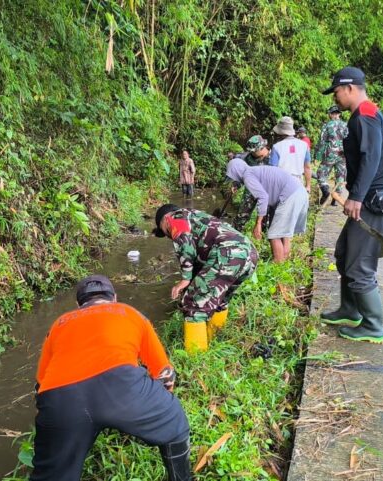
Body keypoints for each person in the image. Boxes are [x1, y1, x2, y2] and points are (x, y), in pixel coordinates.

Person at [30, 275, 192, 481]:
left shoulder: (58, 325)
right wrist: (153, 407)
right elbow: (165, 374)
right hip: (121, 384)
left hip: (61, 398)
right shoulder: (130, 313)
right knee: (175, 421)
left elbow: (40, 384)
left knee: (51, 474)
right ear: (114, 298)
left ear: (78, 304)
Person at [318, 66, 383, 344]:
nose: (336, 98)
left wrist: (356, 197)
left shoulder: (364, 115)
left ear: (350, 88)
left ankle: (373, 326)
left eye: (337, 92)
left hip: (374, 198)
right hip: (371, 194)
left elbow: (371, 157)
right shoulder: (366, 114)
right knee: (344, 252)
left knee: (360, 263)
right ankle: (350, 310)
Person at [153, 205, 258, 352]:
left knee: (193, 304)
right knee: (219, 299)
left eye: (163, 231)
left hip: (227, 253)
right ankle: (213, 341)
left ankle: (196, 358)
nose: (168, 235)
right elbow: (200, 258)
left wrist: (185, 278)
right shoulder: (196, 216)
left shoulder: (175, 218)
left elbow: (184, 241)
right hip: (249, 254)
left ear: (165, 219)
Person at [226, 154, 309, 263]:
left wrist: (258, 224)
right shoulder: (254, 171)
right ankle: (284, 260)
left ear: (236, 172)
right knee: (284, 232)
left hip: (290, 195)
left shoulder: (248, 176)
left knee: (274, 234)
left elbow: (263, 197)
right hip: (299, 192)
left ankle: (278, 264)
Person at [315, 105, 349, 206]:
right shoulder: (345, 125)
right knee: (340, 176)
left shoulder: (327, 125)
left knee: (321, 173)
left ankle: (326, 190)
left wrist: (317, 155)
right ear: (339, 114)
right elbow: (349, 140)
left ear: (330, 114)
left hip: (330, 153)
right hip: (343, 154)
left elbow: (321, 142)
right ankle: (336, 198)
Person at [269, 116, 313, 190]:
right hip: (298, 183)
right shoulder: (304, 145)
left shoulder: (276, 147)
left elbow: (273, 171)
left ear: (280, 132)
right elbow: (307, 167)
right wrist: (308, 186)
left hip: (282, 184)